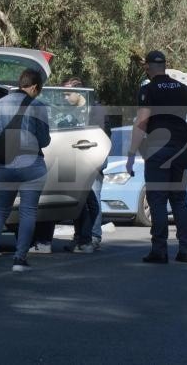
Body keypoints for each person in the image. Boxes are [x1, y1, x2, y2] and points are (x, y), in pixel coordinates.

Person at [126, 50, 187, 264]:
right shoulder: (182, 88)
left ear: (148, 68)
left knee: (158, 200)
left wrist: (131, 154)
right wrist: (184, 133)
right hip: (180, 150)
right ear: (165, 66)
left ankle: (159, 250)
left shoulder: (147, 89)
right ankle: (186, 250)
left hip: (158, 149)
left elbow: (142, 122)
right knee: (179, 200)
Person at [29, 77, 110, 254]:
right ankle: (77, 239)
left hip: (91, 160)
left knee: (91, 200)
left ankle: (90, 238)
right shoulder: (67, 110)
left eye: (67, 94)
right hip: (70, 161)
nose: (65, 98)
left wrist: (96, 162)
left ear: (78, 92)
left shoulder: (95, 110)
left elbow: (99, 137)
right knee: (62, 197)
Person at [0, 69, 51, 272]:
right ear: (35, 87)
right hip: (32, 166)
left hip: (5, 166)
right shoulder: (38, 106)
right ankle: (19, 260)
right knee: (28, 212)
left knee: (0, 211)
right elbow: (44, 141)